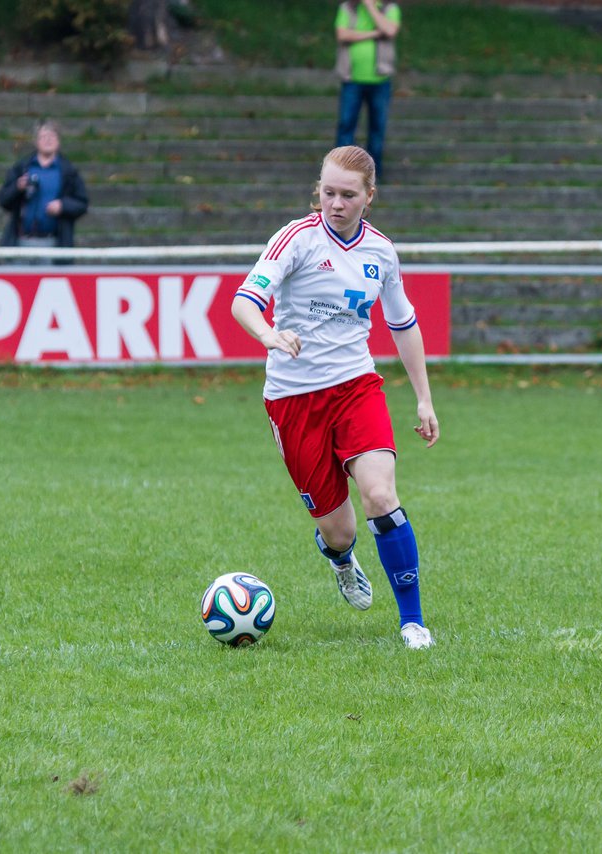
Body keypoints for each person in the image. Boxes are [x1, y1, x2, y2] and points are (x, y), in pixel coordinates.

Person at [231, 145, 439, 650]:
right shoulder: (295, 240)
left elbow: (403, 323)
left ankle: (412, 622)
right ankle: (341, 559)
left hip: (355, 388)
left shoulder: (381, 252)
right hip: (293, 398)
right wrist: (268, 335)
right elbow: (245, 301)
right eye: (328, 192)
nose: (336, 203)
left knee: (381, 496)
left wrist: (424, 400)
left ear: (370, 197)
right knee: (341, 530)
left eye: (348, 195)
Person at [0, 120, 89, 265]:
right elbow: (3, 200)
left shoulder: (68, 171)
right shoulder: (22, 167)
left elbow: (82, 203)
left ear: (58, 141)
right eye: (43, 137)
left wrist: (62, 206)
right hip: (21, 242)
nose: (48, 140)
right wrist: (17, 187)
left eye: (52, 136)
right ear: (36, 141)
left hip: (54, 243)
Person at [335, 0, 400, 182]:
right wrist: (373, 33)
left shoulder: (389, 8)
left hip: (380, 80)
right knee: (346, 125)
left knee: (377, 127)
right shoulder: (348, 7)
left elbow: (389, 31)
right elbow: (342, 35)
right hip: (352, 79)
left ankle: (372, 175)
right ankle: (341, 172)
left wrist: (371, 6)